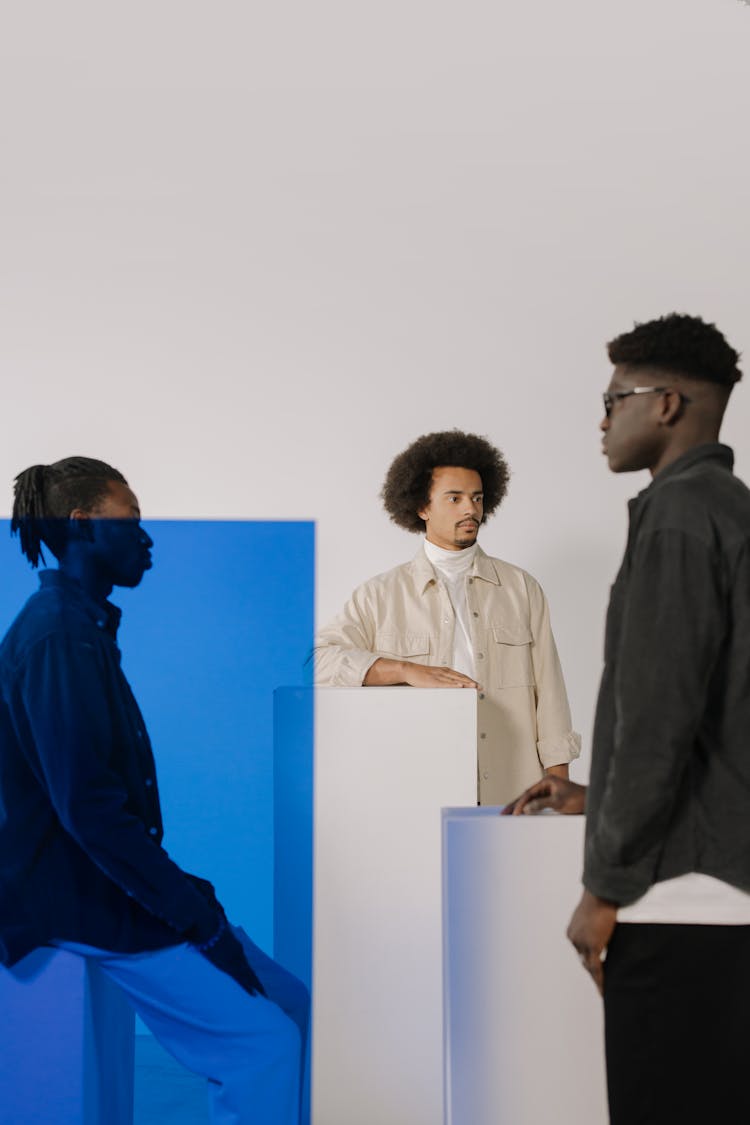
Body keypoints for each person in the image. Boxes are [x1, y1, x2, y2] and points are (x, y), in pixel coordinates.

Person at [0, 457, 308, 1125]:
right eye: (130, 518)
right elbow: (89, 810)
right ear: (83, 522)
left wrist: (192, 897)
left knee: (290, 1001)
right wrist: (196, 920)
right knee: (265, 1045)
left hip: (109, 886)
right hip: (79, 903)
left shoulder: (79, 627)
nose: (146, 536)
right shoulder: (57, 634)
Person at [512, 314, 750, 1123]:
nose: (602, 418)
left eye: (617, 397)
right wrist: (596, 790)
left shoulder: (680, 518)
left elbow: (659, 715)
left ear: (671, 404)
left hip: (684, 900)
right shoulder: (725, 509)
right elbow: (714, 707)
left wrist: (603, 887)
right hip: (722, 896)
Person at [314, 430, 580, 804]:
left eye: (476, 498)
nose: (470, 510)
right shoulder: (381, 595)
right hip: (420, 784)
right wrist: (405, 670)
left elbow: (550, 693)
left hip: (510, 787)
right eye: (453, 498)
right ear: (422, 507)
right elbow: (317, 660)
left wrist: (560, 786)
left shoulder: (521, 588)